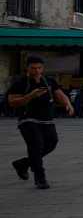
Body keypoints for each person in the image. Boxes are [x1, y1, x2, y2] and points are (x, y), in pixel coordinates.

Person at [6, 56, 74, 189]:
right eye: (33, 68)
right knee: (36, 146)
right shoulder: (20, 83)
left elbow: (59, 94)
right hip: (28, 119)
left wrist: (68, 104)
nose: (36, 71)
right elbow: (12, 102)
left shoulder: (48, 81)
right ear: (27, 68)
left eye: (39, 68)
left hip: (47, 119)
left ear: (43, 68)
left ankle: (23, 164)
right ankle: (40, 178)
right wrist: (31, 96)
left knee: (52, 143)